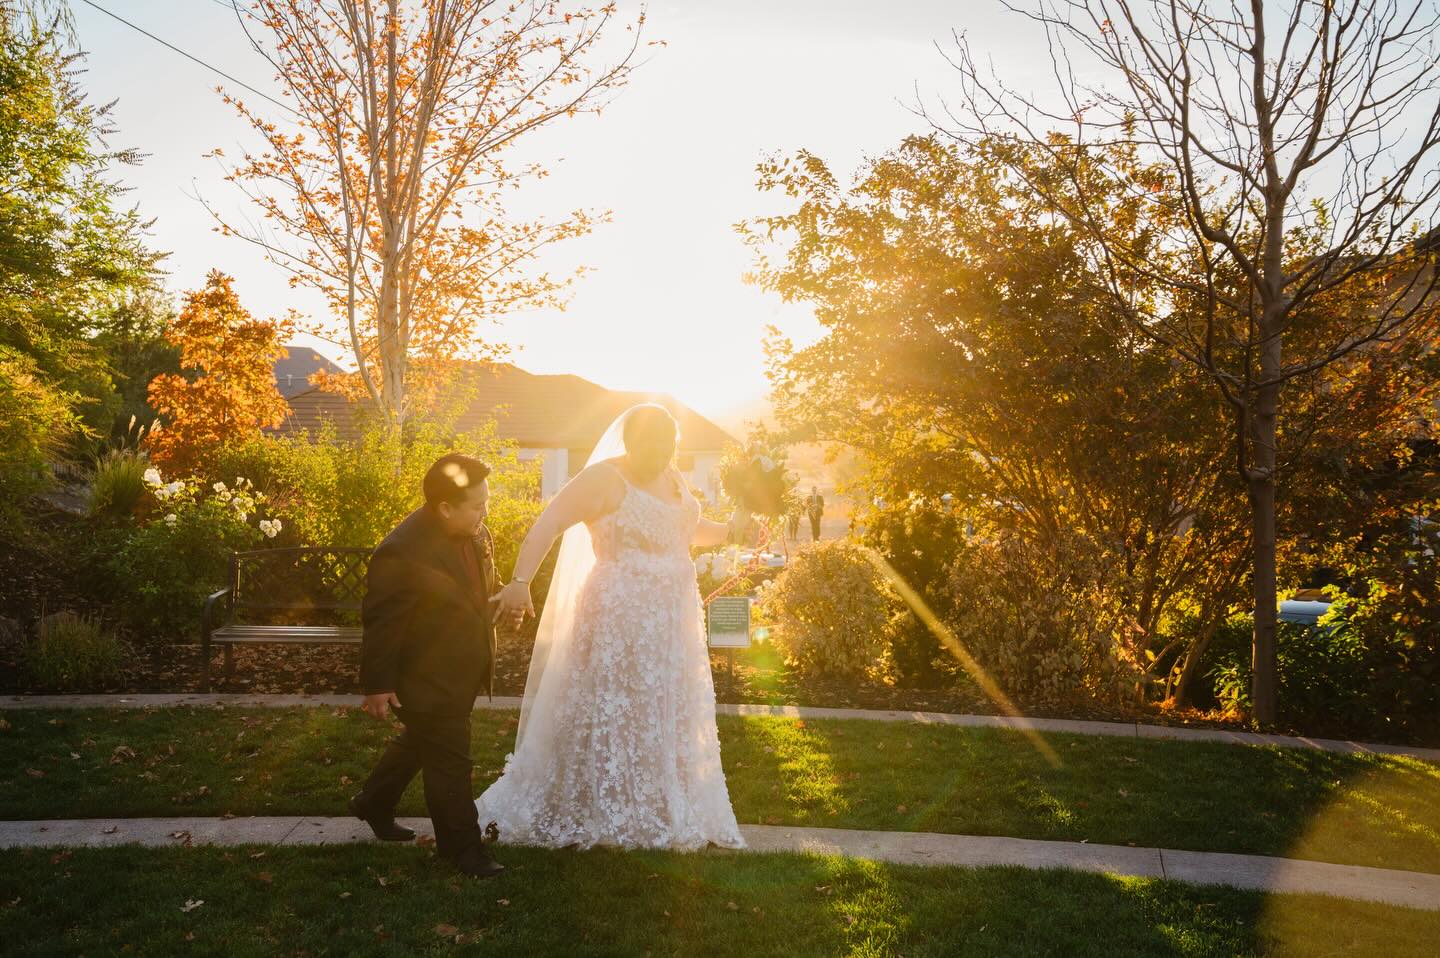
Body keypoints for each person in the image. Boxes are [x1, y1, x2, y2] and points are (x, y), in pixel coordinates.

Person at [480, 404, 746, 849]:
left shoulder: (673, 478)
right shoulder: (603, 478)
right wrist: (521, 581)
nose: (661, 455)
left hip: (672, 618)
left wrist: (734, 530)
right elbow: (548, 525)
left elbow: (686, 529)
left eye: (668, 447)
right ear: (632, 441)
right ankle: (597, 802)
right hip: (619, 616)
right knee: (612, 701)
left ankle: (662, 803)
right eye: (652, 446)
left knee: (664, 705)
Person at [350, 454, 517, 879]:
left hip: (458, 669)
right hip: (422, 677)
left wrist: (500, 602)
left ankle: (374, 802)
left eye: (486, 502)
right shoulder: (401, 550)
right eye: (477, 505)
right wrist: (377, 684)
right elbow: (383, 621)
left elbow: (478, 586)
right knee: (450, 761)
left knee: (422, 742)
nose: (485, 512)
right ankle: (463, 850)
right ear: (445, 507)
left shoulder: (474, 530)